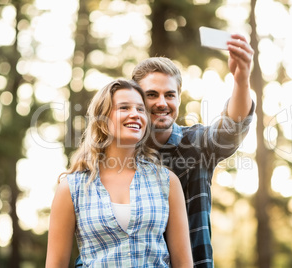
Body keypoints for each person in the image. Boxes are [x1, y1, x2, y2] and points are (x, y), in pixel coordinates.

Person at [75, 33, 254, 267]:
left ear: (179, 99)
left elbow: (233, 127)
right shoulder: (112, 157)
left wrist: (241, 80)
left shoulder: (197, 144)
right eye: (152, 95)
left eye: (170, 95)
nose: (162, 103)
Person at [46, 79, 193, 267]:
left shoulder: (166, 182)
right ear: (102, 120)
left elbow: (183, 264)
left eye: (141, 109)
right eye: (124, 108)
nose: (135, 115)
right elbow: (55, 264)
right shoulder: (71, 188)